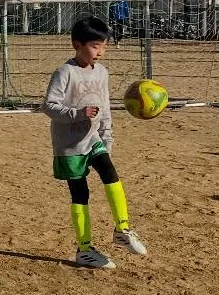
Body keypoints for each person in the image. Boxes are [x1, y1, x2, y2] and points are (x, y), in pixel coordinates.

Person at [42, 17, 147, 270]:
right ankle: (85, 249)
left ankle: (122, 229)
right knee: (80, 194)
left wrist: (107, 137)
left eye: (104, 46)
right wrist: (78, 113)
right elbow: (49, 105)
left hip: (94, 139)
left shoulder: (102, 72)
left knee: (111, 173)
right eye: (96, 46)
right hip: (69, 146)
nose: (101, 52)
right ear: (77, 44)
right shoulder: (64, 72)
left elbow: (105, 108)